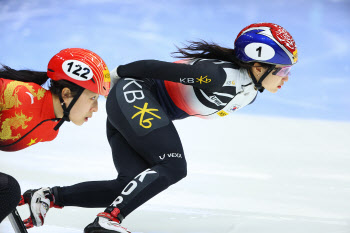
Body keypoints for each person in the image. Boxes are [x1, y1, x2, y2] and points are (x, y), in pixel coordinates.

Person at [21, 22, 298, 233]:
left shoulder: (249, 92)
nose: (286, 78)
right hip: (134, 93)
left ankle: (47, 196)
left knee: (127, 185)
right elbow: (154, 67)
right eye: (283, 70)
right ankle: (109, 219)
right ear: (259, 67)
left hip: (137, 109)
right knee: (174, 165)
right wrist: (113, 78)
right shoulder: (219, 77)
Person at [0, 48, 110, 225]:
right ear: (66, 94)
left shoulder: (51, 130)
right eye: (92, 98)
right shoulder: (19, 95)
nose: (96, 108)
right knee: (8, 189)